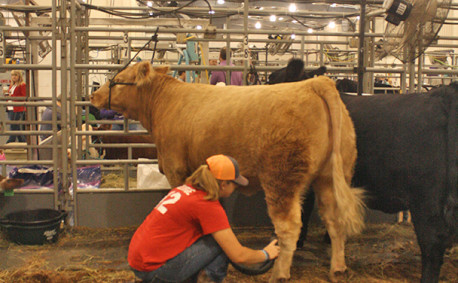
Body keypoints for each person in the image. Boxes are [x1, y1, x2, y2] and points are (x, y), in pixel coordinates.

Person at [128, 154, 280, 282]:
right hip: (154, 270)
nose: (236, 189)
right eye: (234, 184)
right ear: (223, 184)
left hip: (138, 262)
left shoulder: (185, 190)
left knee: (216, 238)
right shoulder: (207, 205)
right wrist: (266, 254)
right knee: (221, 244)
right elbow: (238, 255)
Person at [4, 70, 26, 143]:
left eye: (15, 75)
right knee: (15, 126)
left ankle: (10, 141)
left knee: (13, 126)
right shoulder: (12, 85)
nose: (13, 77)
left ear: (19, 76)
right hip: (10, 108)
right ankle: (22, 141)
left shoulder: (22, 85)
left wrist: (12, 96)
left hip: (17, 108)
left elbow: (24, 97)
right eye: (12, 75)